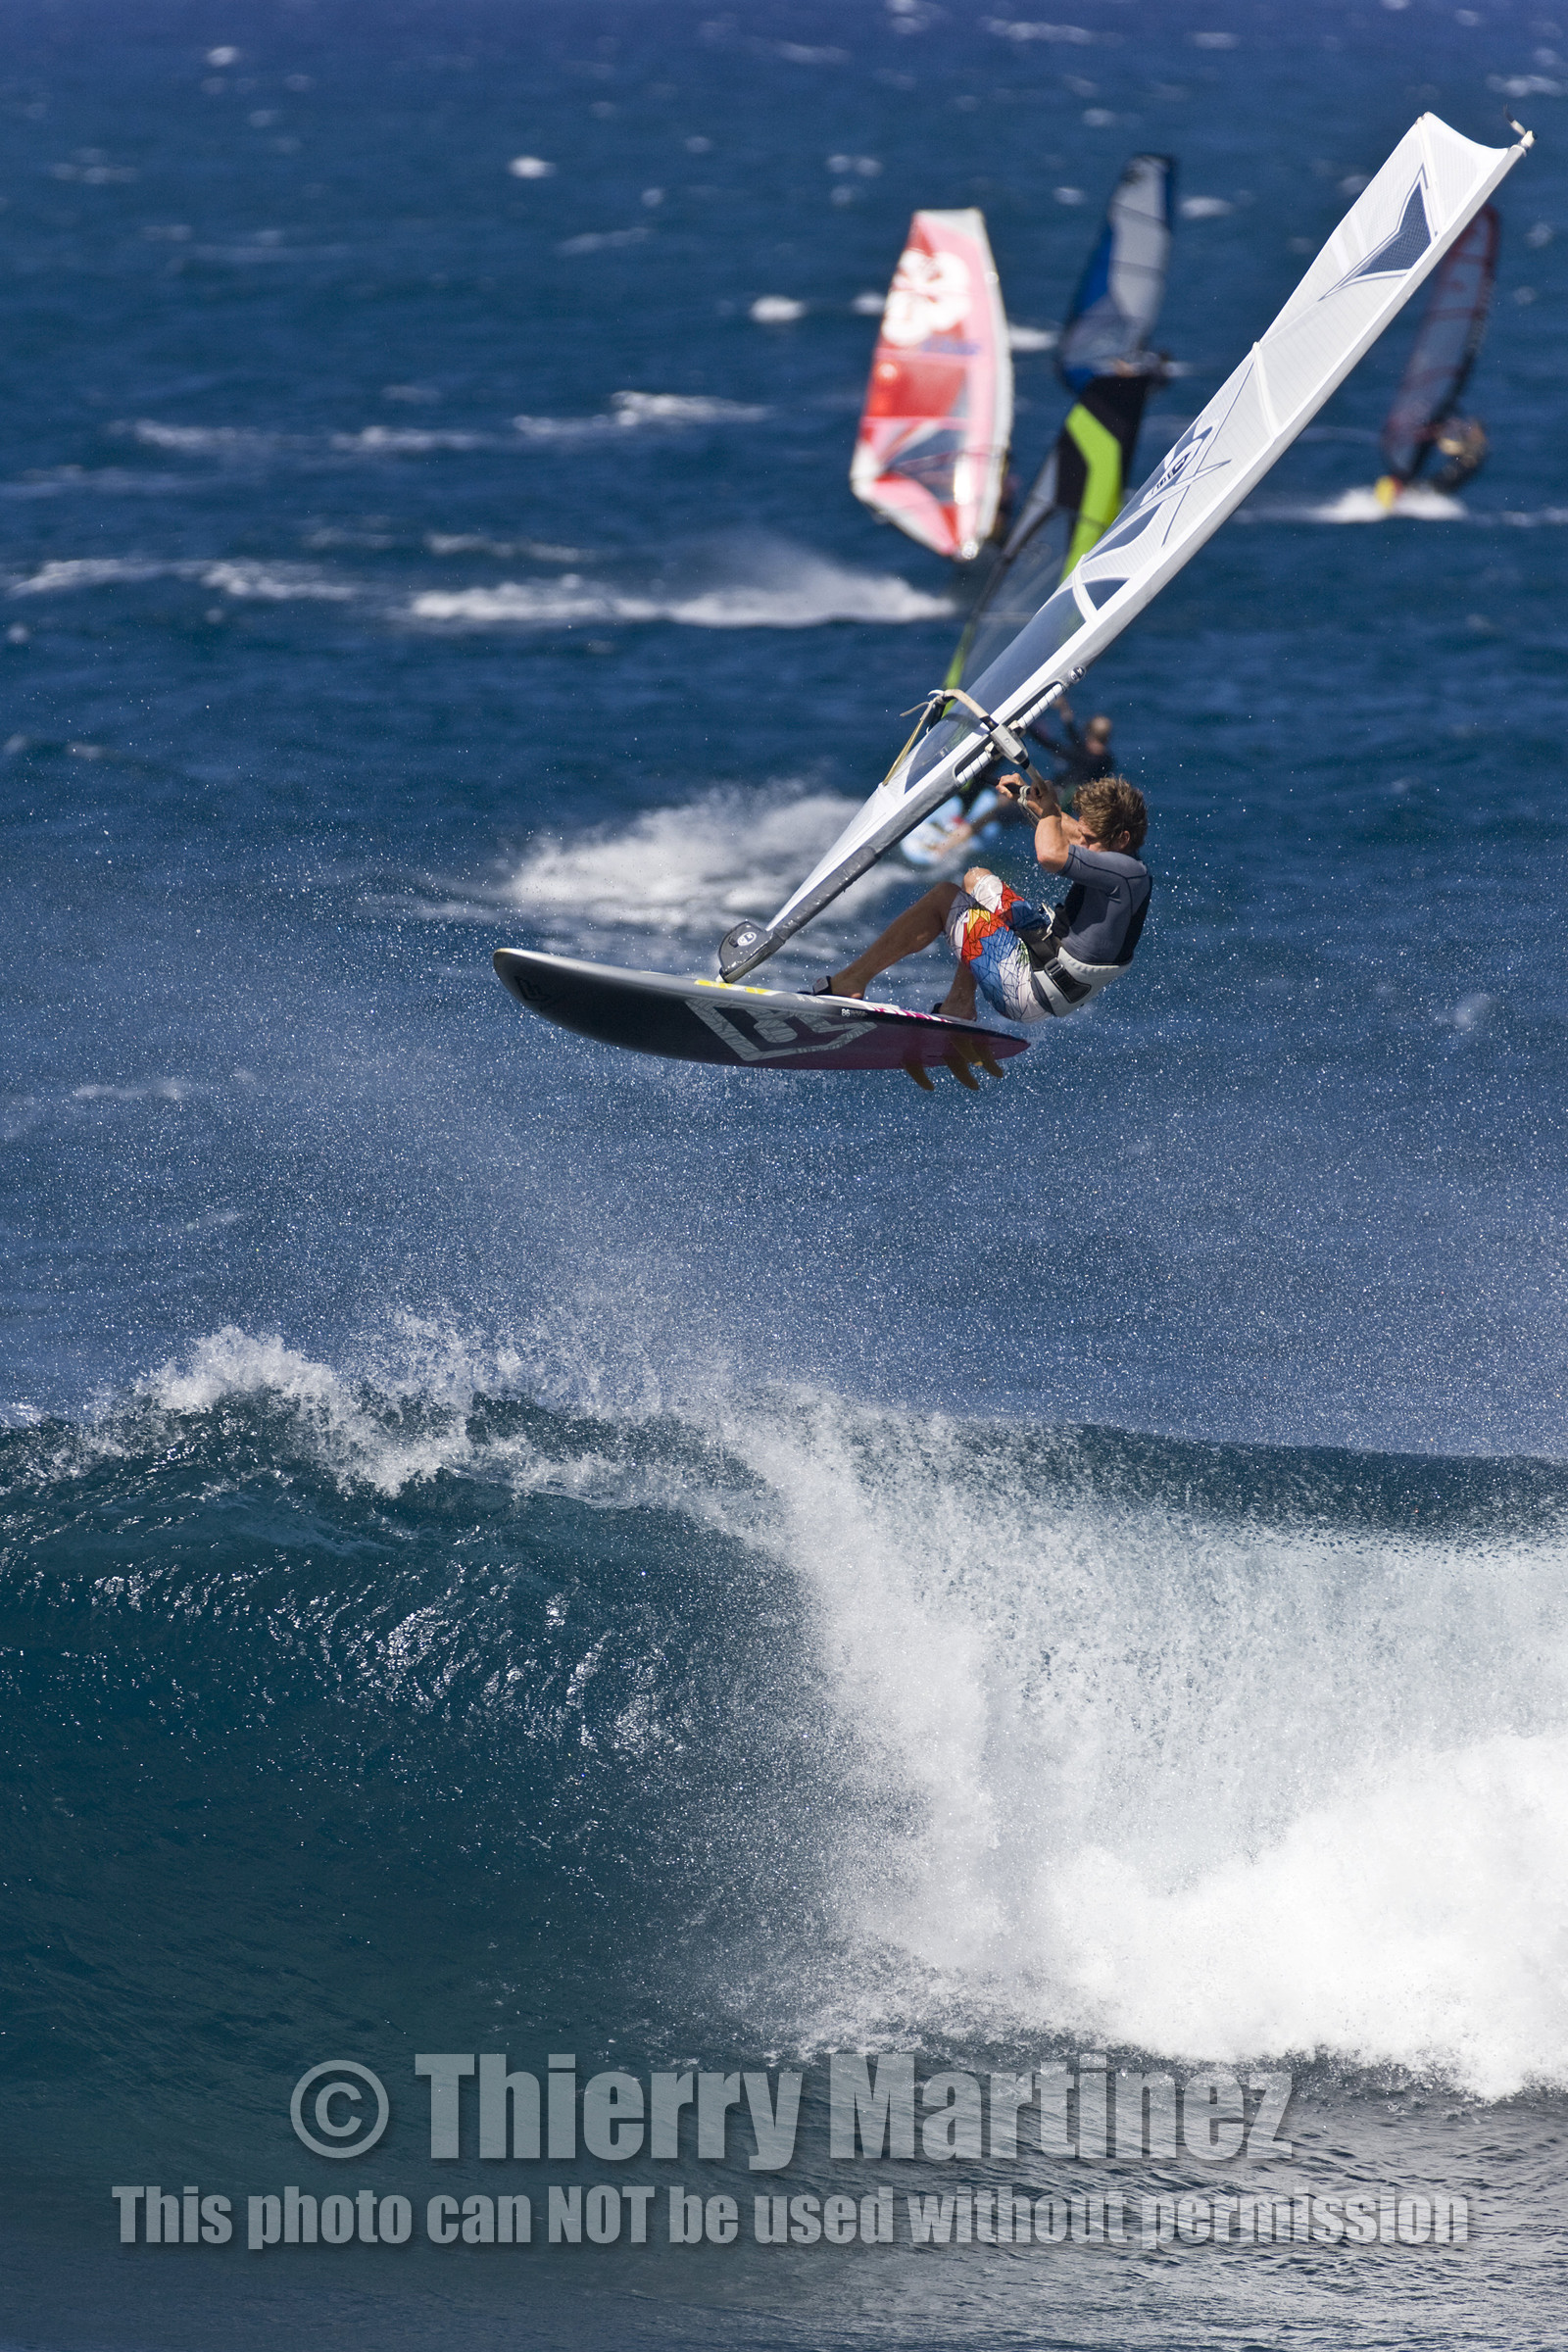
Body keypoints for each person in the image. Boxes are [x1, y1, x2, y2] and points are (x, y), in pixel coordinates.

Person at [816, 769, 1150, 1033]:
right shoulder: (1124, 864)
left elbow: (1051, 853)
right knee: (976, 879)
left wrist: (1048, 808)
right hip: (1048, 954)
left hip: (1029, 988)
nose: (1083, 844)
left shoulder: (1125, 873)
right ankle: (959, 1005)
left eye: (1092, 840)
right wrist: (1025, 796)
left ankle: (850, 983)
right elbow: (1073, 831)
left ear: (1122, 838)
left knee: (944, 899)